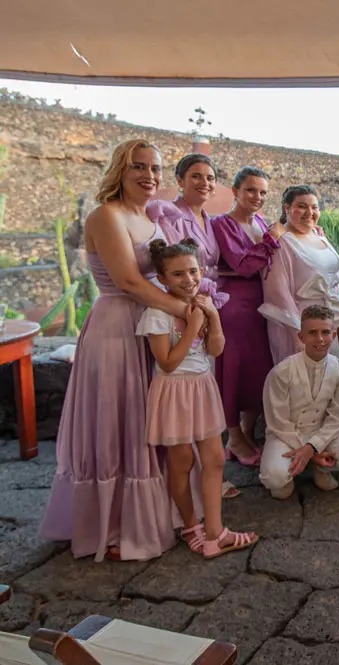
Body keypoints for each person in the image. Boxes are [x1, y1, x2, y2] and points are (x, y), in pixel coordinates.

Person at [40, 139, 187, 562]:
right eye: (138, 167)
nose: (149, 176)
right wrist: (187, 312)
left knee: (147, 420)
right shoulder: (106, 216)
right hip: (117, 328)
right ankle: (113, 524)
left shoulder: (150, 217)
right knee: (117, 421)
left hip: (150, 327)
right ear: (119, 171)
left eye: (156, 169)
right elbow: (129, 282)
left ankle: (155, 511)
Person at [139, 239, 258, 558]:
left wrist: (213, 318)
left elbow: (216, 349)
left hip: (202, 387)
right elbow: (166, 361)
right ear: (162, 279)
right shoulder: (157, 312)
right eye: (177, 274)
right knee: (181, 462)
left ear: (202, 271)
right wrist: (192, 326)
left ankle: (215, 532)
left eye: (193, 271)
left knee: (216, 459)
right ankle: (191, 525)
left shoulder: (204, 303)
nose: (188, 279)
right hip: (175, 391)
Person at [212, 167, 283, 466]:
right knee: (233, 371)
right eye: (252, 190)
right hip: (235, 307)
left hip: (261, 306)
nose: (258, 197)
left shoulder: (261, 222)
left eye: (263, 192)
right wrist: (271, 239)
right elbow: (242, 265)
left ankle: (247, 429)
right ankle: (235, 439)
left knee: (260, 371)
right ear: (236, 191)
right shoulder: (222, 224)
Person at [260, 305, 339, 499]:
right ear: (301, 337)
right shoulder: (281, 372)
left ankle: (321, 468)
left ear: (334, 336)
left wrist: (313, 448)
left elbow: (338, 418)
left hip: (322, 432)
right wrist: (311, 451)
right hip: (285, 435)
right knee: (274, 478)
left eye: (325, 332)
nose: (319, 339)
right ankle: (290, 474)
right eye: (312, 333)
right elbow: (277, 421)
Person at [260, 184, 339, 364]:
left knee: (329, 381)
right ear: (287, 208)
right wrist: (298, 334)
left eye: (314, 207)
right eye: (302, 206)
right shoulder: (282, 242)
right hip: (300, 325)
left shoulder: (319, 236)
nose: (309, 212)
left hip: (328, 322)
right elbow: (278, 292)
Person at [146, 153, 228, 309]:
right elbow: (173, 266)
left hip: (206, 302)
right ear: (180, 181)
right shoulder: (170, 216)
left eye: (210, 178)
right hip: (181, 303)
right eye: (196, 176)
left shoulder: (209, 221)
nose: (205, 183)